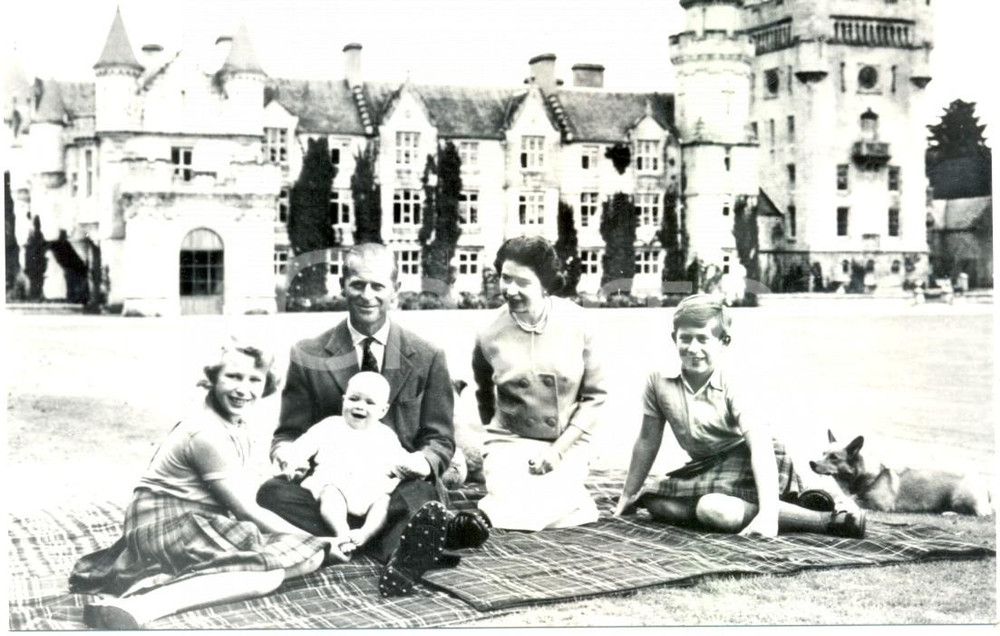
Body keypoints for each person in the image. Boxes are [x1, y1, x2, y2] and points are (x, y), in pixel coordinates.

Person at [257, 243, 490, 597]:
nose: (367, 295)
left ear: (395, 290)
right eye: (358, 284)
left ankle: (382, 545)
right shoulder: (308, 354)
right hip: (329, 490)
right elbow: (288, 433)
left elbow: (440, 439)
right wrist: (288, 457)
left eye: (378, 286)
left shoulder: (427, 355)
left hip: (394, 490)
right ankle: (408, 542)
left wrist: (421, 462)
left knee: (422, 492)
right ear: (342, 285)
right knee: (271, 493)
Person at [69, 338, 340, 629]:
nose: (243, 389)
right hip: (165, 525)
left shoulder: (236, 424)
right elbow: (247, 510)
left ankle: (184, 581)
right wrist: (321, 540)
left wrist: (313, 544)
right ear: (212, 379)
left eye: (254, 380)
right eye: (233, 376)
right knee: (272, 571)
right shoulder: (204, 431)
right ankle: (141, 605)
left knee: (306, 557)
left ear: (266, 385)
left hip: (196, 522)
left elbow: (239, 493)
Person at [614, 294, 866, 539]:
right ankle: (786, 509)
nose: (693, 348)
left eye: (703, 339)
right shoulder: (658, 380)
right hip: (704, 465)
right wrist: (627, 495)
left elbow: (761, 448)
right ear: (674, 338)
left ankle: (825, 519)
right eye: (686, 338)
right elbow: (647, 439)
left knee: (714, 510)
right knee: (654, 502)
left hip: (751, 458)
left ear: (723, 342)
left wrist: (768, 515)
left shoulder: (736, 380)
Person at [472, 236, 608, 531]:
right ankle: (571, 507)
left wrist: (558, 450)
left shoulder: (580, 323)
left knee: (533, 500)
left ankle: (489, 518)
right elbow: (483, 392)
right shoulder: (488, 331)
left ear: (545, 285)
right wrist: (497, 442)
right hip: (509, 439)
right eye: (505, 278)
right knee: (514, 490)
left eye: (522, 282)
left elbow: (595, 397)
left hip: (568, 440)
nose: (510, 290)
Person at [278, 372, 408, 556]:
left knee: (383, 503)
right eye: (354, 399)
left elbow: (401, 460)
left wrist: (409, 466)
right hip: (335, 486)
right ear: (343, 400)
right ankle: (342, 533)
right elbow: (303, 445)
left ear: (383, 410)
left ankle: (366, 534)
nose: (360, 406)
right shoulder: (330, 426)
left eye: (370, 403)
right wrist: (292, 461)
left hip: (370, 490)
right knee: (330, 494)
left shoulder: (386, 435)